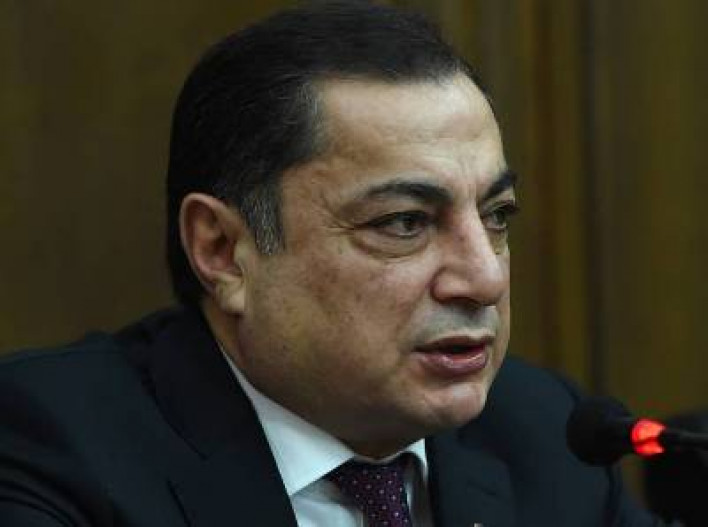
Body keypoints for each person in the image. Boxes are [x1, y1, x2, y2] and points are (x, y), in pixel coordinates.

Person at [0, 2, 678, 526]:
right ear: (222, 251)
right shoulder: (51, 447)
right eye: (405, 222)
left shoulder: (546, 434)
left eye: (496, 216)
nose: (485, 278)